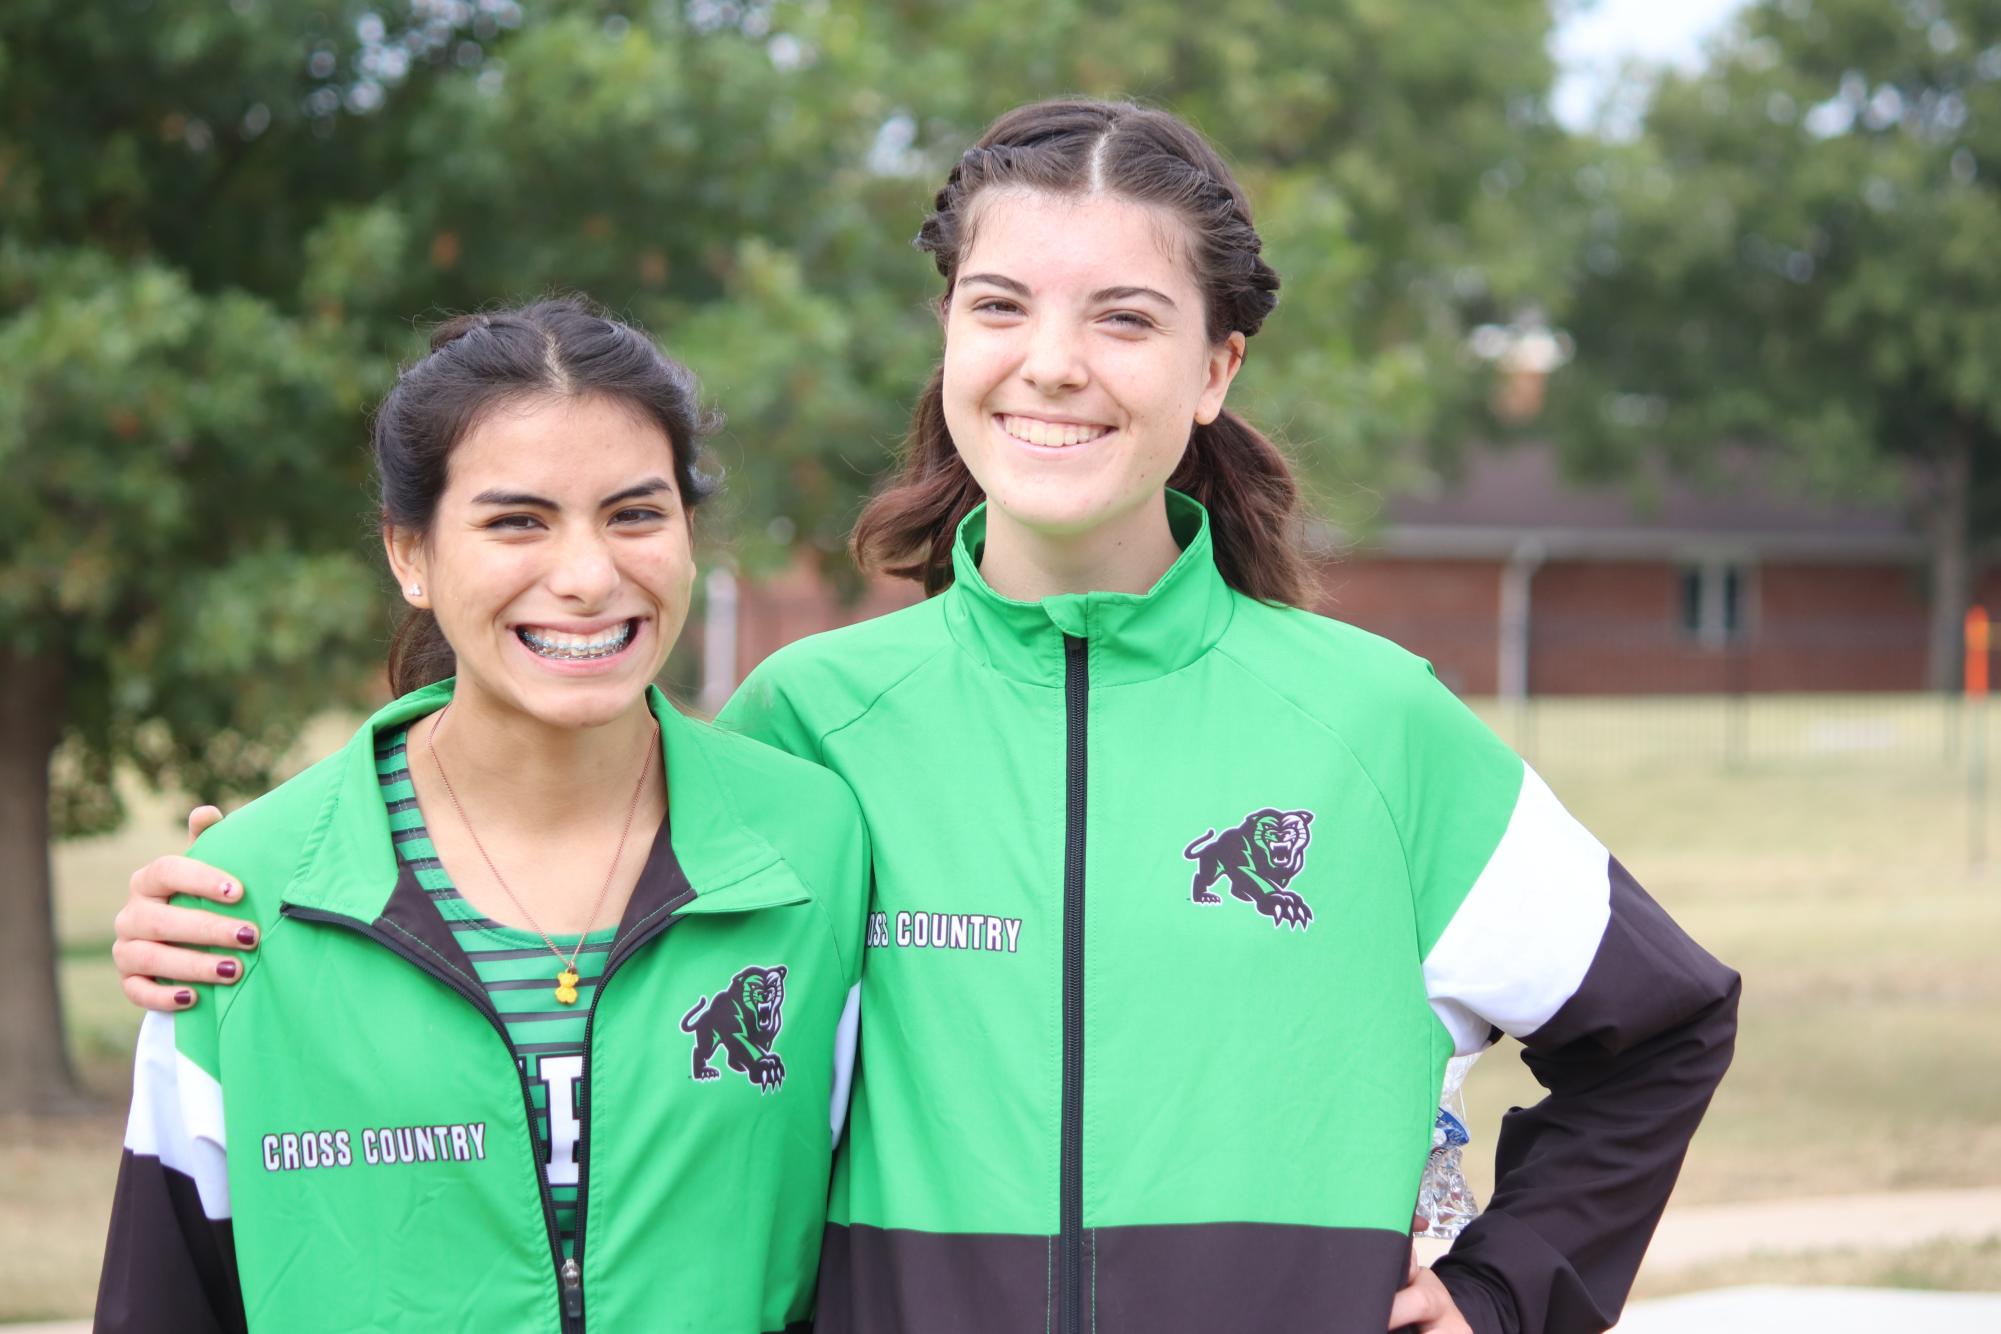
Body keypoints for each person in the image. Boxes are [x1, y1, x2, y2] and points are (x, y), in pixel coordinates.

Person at [113, 101, 1738, 1334]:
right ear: (950, 335)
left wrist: (1512, 1281)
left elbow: (1659, 1024)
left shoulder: (1371, 721)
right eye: (1000, 305)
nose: (1053, 365)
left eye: (1125, 317)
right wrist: (241, 892)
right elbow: (536, 872)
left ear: (1217, 368)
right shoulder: (811, 722)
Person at [96, 299, 869, 1334]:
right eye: (518, 521)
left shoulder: (817, 845)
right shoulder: (244, 900)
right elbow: (167, 1291)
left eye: (636, 513)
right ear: (409, 555)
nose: (589, 577)